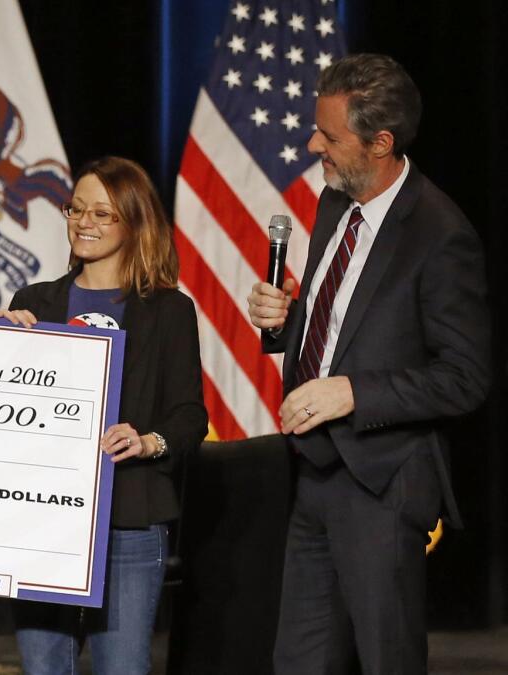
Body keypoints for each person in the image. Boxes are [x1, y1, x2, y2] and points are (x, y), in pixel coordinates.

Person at [247, 53, 491, 674]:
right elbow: (346, 326)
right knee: (297, 661)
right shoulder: (337, 201)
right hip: (313, 474)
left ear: (380, 142)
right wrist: (286, 323)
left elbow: (465, 378)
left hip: (383, 483)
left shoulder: (440, 234)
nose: (312, 145)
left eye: (329, 136)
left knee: (387, 660)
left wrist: (354, 392)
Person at [0, 156, 208, 674]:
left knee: (124, 669)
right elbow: (1, 415)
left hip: (129, 520)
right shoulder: (34, 302)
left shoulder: (169, 310)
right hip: (43, 519)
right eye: (76, 209)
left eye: (102, 214)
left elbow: (189, 415)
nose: (83, 223)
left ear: (135, 222)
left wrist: (147, 441)